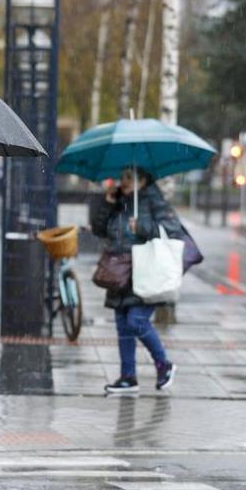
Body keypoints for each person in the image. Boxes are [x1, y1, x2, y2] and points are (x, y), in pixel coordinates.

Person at [89, 168, 181, 395]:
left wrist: (142, 227)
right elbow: (99, 230)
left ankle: (163, 363)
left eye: (130, 177)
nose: (124, 182)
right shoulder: (118, 201)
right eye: (123, 177)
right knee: (123, 326)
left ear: (143, 180)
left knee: (136, 321)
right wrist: (108, 203)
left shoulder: (154, 200)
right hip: (119, 273)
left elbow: (172, 230)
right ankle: (128, 377)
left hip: (145, 273)